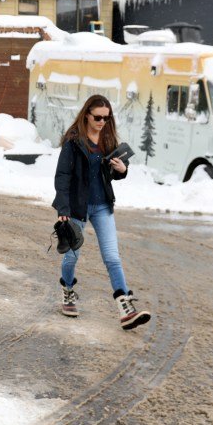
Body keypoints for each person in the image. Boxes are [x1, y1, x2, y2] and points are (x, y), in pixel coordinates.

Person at [52, 94, 151, 330]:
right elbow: (62, 177)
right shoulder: (74, 143)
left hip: (103, 206)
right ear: (87, 114)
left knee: (112, 258)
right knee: (72, 256)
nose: (102, 122)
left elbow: (109, 175)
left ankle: (125, 307)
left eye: (106, 118)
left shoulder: (107, 140)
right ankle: (67, 290)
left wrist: (121, 170)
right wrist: (63, 209)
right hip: (77, 207)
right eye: (97, 117)